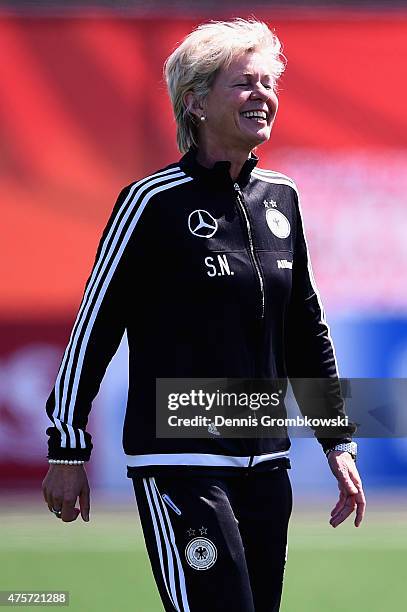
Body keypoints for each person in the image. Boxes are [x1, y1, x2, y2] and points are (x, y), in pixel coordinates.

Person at [42, 18, 366, 612]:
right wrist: (66, 448)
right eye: (244, 83)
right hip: (179, 463)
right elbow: (95, 326)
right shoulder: (151, 203)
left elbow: (306, 332)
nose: (263, 95)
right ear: (195, 100)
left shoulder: (283, 199)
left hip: (267, 462)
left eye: (269, 83)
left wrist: (338, 443)